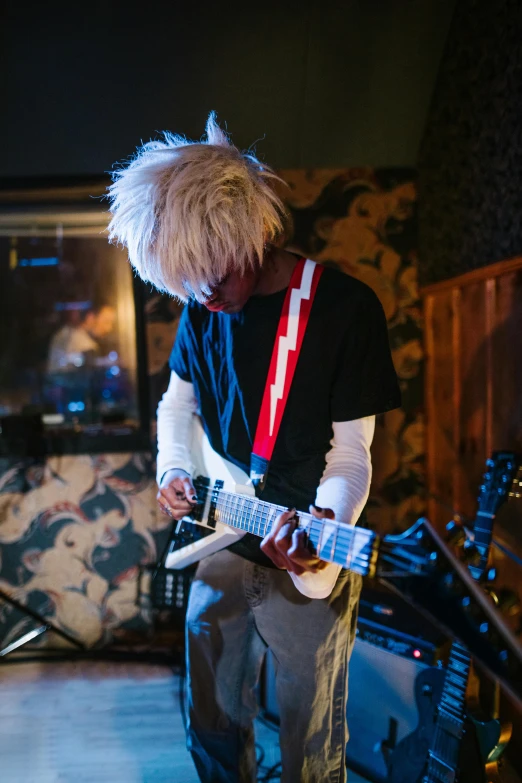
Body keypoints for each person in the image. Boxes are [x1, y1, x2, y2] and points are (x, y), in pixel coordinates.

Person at [108, 113, 401, 783]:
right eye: (186, 282)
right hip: (221, 539)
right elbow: (177, 403)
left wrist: (323, 527)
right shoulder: (199, 305)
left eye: (212, 271)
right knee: (209, 719)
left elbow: (352, 453)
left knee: (309, 745)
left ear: (250, 230)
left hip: (307, 552)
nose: (203, 293)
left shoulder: (343, 308)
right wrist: (175, 468)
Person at [47, 303, 116, 373]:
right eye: (106, 322)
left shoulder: (64, 333)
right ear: (90, 317)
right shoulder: (86, 345)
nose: (109, 329)